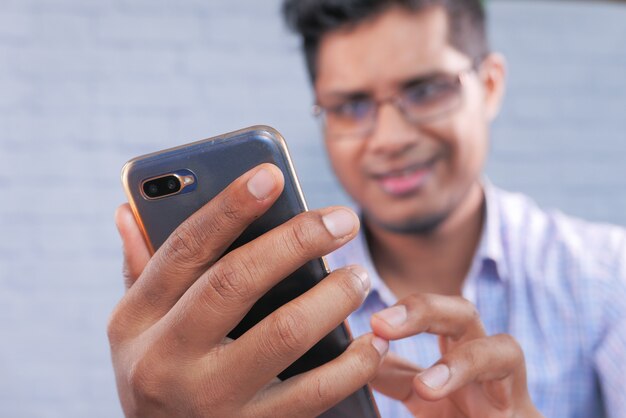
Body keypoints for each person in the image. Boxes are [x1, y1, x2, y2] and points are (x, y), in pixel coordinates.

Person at [108, 0, 626, 417]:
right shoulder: (272, 304)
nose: (390, 138)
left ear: (489, 86)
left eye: (425, 90)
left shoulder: (607, 274)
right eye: (350, 106)